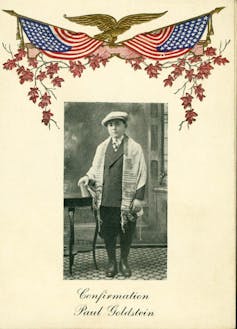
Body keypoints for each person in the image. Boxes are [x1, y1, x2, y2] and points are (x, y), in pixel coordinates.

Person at [78, 111, 147, 278]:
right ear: (107, 128)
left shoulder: (134, 148)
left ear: (124, 126)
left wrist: (138, 198)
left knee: (126, 232)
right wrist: (87, 178)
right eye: (110, 125)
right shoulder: (102, 148)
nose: (114, 127)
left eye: (117, 124)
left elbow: (142, 173)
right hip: (107, 198)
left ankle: (123, 262)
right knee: (108, 232)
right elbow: (94, 170)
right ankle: (112, 263)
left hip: (127, 199)